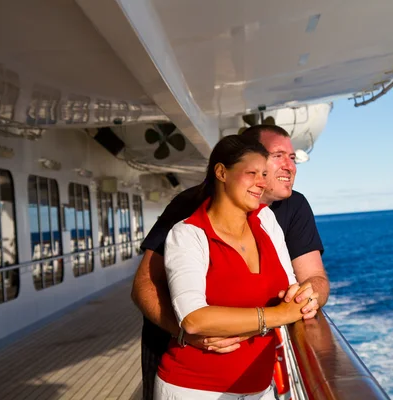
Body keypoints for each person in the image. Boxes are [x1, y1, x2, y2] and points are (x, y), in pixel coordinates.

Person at [132, 125, 330, 399]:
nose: (289, 166)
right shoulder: (188, 214)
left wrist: (309, 298)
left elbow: (311, 279)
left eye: (292, 158)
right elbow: (146, 285)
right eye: (277, 156)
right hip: (183, 363)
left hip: (255, 382)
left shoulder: (282, 213)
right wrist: (186, 333)